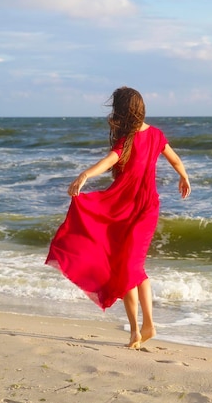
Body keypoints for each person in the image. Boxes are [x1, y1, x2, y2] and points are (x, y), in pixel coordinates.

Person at [45, 86, 191, 349]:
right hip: (122, 209)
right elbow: (111, 161)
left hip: (145, 210)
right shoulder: (135, 138)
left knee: (130, 268)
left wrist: (184, 175)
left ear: (123, 111)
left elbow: (171, 158)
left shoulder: (149, 136)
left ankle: (144, 326)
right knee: (131, 269)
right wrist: (85, 176)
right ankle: (139, 329)